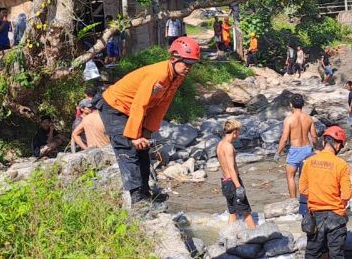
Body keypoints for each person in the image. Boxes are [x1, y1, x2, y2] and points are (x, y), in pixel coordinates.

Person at [97, 36, 200, 208]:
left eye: (192, 64)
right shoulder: (158, 74)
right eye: (186, 63)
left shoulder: (177, 76)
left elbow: (162, 105)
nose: (189, 67)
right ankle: (137, 198)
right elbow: (140, 103)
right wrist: (134, 135)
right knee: (128, 148)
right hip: (115, 107)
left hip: (133, 110)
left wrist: (146, 132)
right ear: (174, 58)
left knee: (143, 150)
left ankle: (146, 192)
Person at [299, 126, 352, 259]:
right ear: (338, 145)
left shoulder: (309, 162)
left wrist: (318, 196)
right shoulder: (341, 164)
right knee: (336, 254)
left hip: (315, 216)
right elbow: (346, 195)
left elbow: (303, 189)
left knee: (312, 253)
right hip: (336, 215)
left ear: (324, 142)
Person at [275, 93, 317, 200]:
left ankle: (293, 201)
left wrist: (277, 153)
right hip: (307, 150)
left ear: (291, 105)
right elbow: (314, 136)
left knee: (290, 177)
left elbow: (284, 139)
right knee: (306, 178)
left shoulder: (289, 119)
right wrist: (317, 149)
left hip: (295, 150)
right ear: (303, 104)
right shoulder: (309, 118)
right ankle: (308, 200)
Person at [217, 119, 257, 228]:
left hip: (225, 182)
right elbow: (231, 168)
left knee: (233, 212)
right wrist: (238, 186)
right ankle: (256, 234)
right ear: (234, 131)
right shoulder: (228, 147)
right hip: (233, 183)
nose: (239, 134)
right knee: (246, 211)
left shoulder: (220, 144)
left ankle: (228, 236)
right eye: (239, 131)